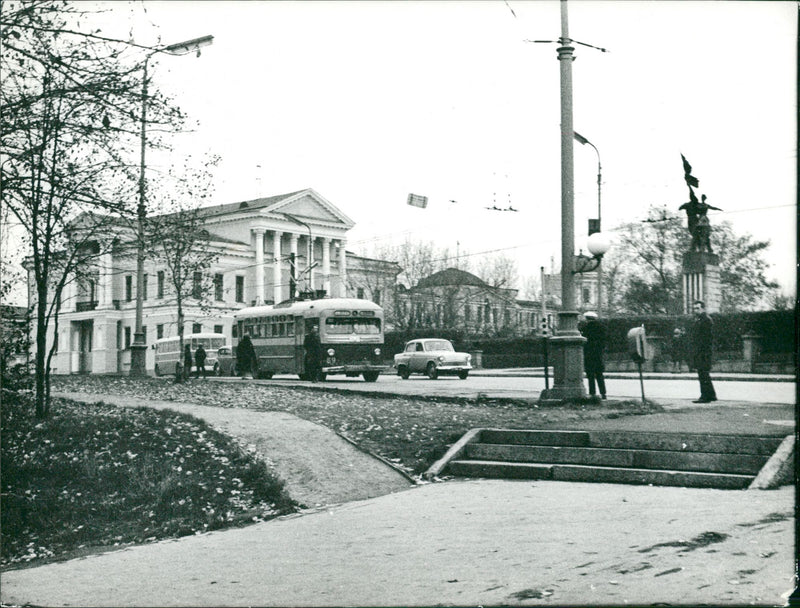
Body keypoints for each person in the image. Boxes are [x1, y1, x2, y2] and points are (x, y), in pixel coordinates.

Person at [688, 300, 717, 403]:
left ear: (703, 309)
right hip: (702, 351)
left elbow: (705, 338)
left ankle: (704, 396)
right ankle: (711, 395)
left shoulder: (705, 320)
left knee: (702, 373)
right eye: (694, 308)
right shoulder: (701, 319)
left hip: (703, 351)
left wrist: (700, 350)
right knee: (704, 373)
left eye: (698, 308)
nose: (696, 310)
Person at [579, 311, 606, 400]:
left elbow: (583, 340)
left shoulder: (585, 328)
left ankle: (592, 393)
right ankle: (603, 393)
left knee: (590, 375)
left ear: (587, 318)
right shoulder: (602, 327)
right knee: (599, 374)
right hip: (598, 354)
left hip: (589, 354)